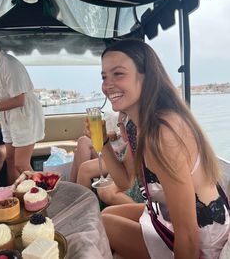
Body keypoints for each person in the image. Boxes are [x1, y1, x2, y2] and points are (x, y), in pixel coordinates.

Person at [97, 38, 230, 259]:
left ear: (146, 77)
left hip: (202, 240)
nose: (107, 84)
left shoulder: (163, 134)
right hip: (167, 216)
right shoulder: (135, 124)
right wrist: (102, 142)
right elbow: (124, 181)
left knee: (104, 223)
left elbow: (188, 236)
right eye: (104, 76)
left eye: (118, 74)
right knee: (106, 215)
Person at [0, 40, 45, 185]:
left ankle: (41, 195)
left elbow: (19, 100)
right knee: (10, 160)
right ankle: (15, 198)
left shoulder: (9, 65)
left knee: (21, 164)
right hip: (8, 117)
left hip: (24, 116)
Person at [70, 111, 143, 205]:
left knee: (86, 167)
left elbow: (127, 138)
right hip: (122, 152)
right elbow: (128, 141)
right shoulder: (127, 114)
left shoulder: (137, 116)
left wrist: (120, 124)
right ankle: (75, 201)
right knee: (83, 145)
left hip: (128, 157)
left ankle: (79, 204)